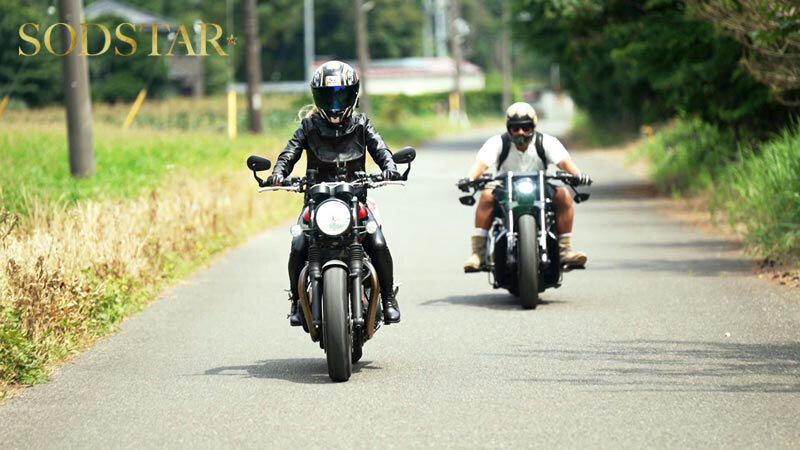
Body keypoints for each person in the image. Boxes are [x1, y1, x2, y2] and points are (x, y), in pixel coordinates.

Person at [266, 61, 402, 325]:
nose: (335, 104)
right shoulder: (309, 126)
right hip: (317, 203)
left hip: (355, 200)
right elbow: (289, 153)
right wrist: (278, 173)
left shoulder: (362, 123)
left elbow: (381, 149)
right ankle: (296, 300)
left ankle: (388, 298)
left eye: (341, 96)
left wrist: (390, 168)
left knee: (377, 242)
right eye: (328, 97)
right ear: (318, 97)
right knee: (299, 244)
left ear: (353, 95)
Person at [459, 102, 591, 272]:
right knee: (486, 195)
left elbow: (564, 162)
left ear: (533, 127)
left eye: (526, 128)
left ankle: (565, 250)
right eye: (515, 128)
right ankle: (478, 253)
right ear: (509, 129)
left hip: (540, 187)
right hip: (505, 188)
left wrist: (577, 175)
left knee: (564, 195)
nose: (521, 132)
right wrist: (469, 178)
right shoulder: (498, 143)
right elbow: (481, 164)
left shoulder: (546, 142)